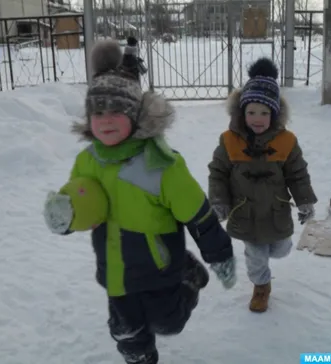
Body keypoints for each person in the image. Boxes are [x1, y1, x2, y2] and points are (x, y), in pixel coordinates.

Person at [43, 39, 236, 364]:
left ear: (135, 115)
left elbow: (199, 215)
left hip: (160, 268)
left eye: (117, 111)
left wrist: (220, 255)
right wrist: (63, 217)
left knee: (168, 323)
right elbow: (75, 202)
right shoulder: (87, 161)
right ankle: (140, 357)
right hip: (115, 270)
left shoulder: (161, 164)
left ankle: (190, 276)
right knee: (126, 331)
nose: (106, 119)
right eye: (98, 111)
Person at [208, 57, 317, 313]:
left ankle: (269, 258)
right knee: (256, 254)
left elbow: (297, 174)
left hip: (276, 211)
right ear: (241, 112)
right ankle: (261, 286)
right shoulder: (230, 141)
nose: (257, 118)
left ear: (275, 114)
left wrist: (305, 201)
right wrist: (220, 202)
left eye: (265, 113)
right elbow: (218, 173)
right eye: (251, 112)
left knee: (280, 250)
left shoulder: (286, 141)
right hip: (244, 212)